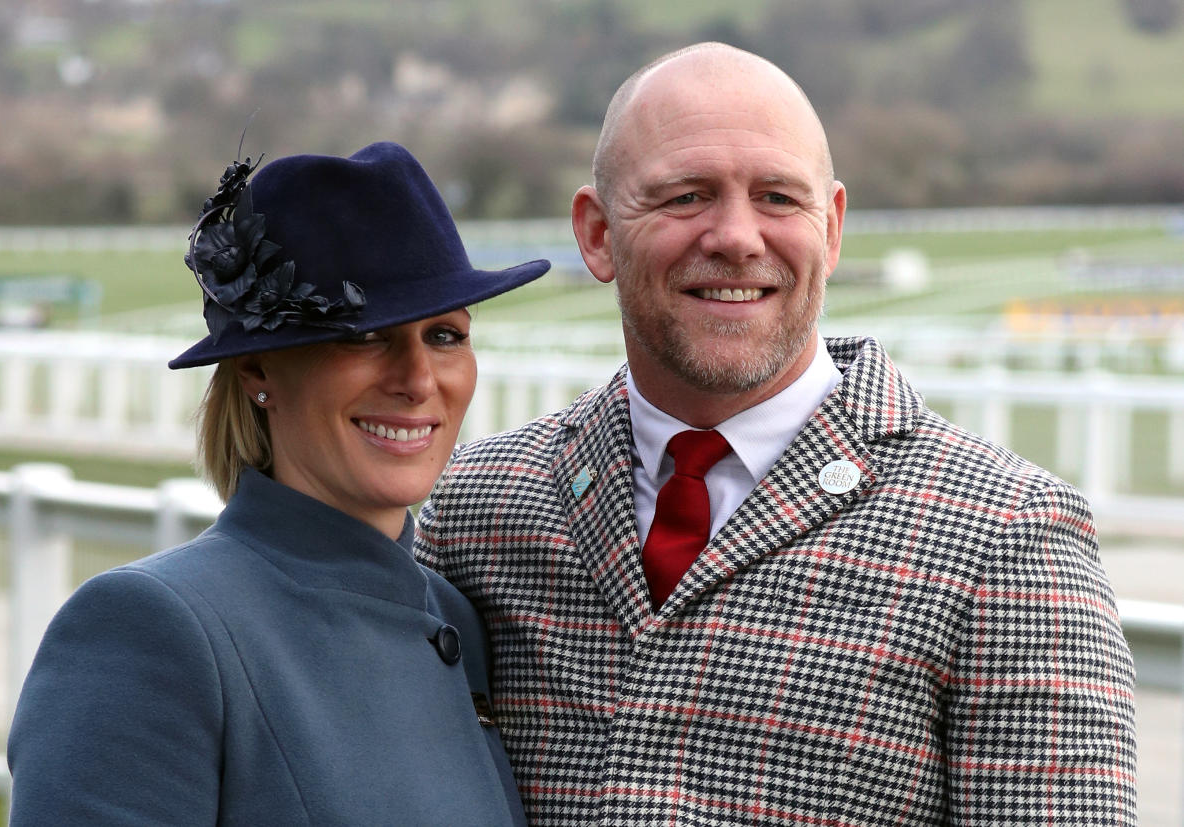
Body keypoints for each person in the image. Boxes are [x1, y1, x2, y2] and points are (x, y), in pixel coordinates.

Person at [415, 43, 1137, 825]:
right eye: (687, 196)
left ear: (830, 227)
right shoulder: (474, 505)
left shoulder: (1011, 535)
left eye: (778, 199)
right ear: (595, 234)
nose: (736, 236)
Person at [7, 141, 550, 825]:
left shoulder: (457, 617)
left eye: (444, 335)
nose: (417, 380)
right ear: (258, 369)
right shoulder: (150, 627)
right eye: (365, 336)